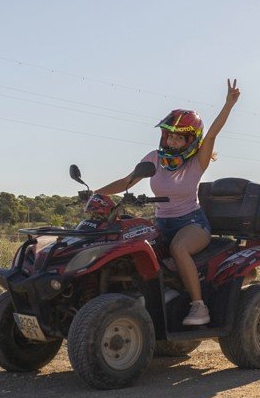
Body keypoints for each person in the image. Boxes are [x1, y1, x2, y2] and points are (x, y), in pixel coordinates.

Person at [95, 79, 241, 326]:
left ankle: (199, 306)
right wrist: (97, 193)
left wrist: (228, 104)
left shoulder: (197, 162)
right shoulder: (154, 158)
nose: (171, 142)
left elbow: (213, 132)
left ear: (190, 141)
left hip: (192, 223)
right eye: (169, 136)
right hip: (162, 223)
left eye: (178, 138)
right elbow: (128, 181)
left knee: (179, 249)